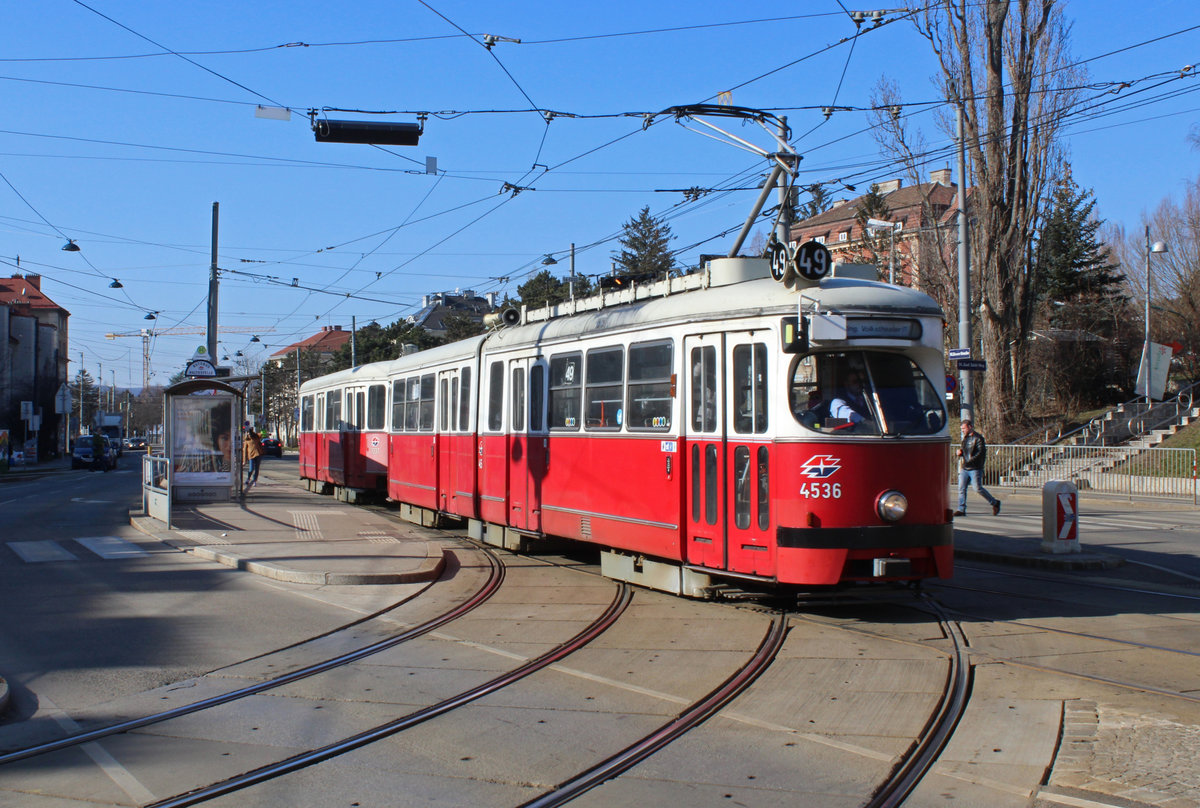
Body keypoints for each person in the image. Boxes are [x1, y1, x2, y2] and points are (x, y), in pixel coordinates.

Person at [956, 419, 1000, 516]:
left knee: (977, 488)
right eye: (961, 429)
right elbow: (965, 451)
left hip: (975, 468)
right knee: (961, 488)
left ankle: (994, 502)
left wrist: (970, 460)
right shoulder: (965, 438)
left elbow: (980, 453)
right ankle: (961, 509)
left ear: (970, 427)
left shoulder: (978, 438)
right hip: (965, 468)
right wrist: (960, 453)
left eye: (964, 428)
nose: (962, 430)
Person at [243, 421, 263, 489]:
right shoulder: (247, 439)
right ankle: (248, 478)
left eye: (250, 432)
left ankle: (254, 480)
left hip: (258, 454)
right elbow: (244, 450)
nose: (250, 434)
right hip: (251, 455)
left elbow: (261, 435)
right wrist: (244, 460)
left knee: (257, 469)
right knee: (251, 468)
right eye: (249, 433)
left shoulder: (256, 437)